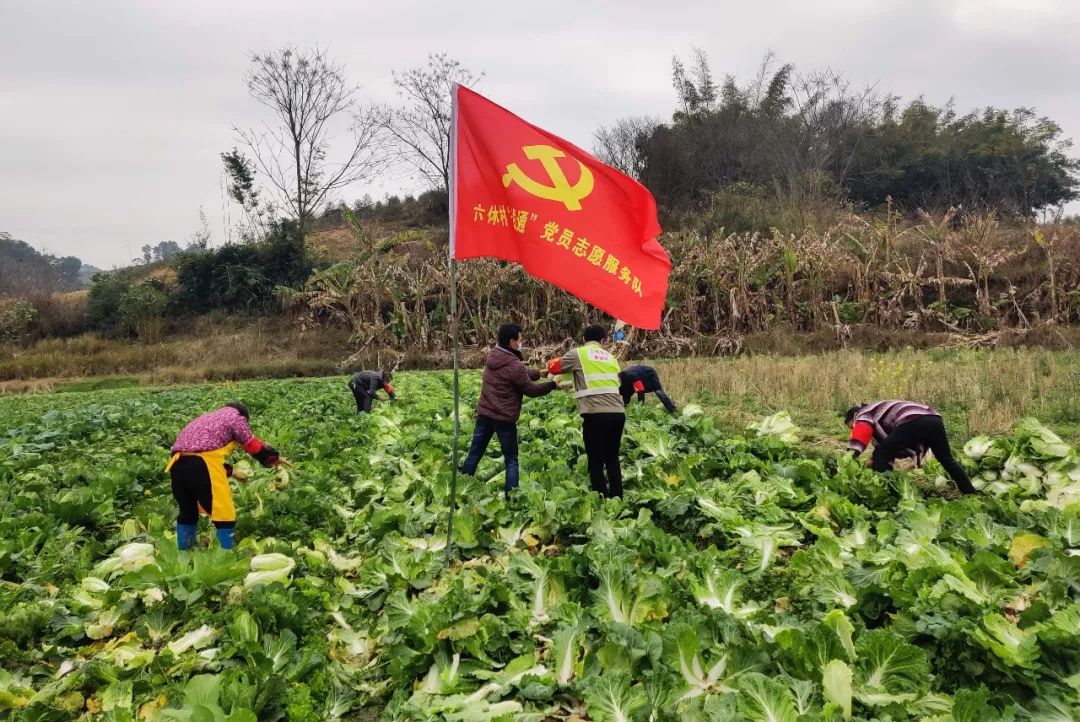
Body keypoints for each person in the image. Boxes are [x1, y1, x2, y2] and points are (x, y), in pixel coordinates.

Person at [166, 402, 284, 550]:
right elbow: (251, 444)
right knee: (223, 511)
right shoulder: (235, 417)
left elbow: (197, 455)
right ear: (243, 416)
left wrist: (232, 472)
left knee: (187, 511)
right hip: (202, 464)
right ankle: (226, 554)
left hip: (177, 464)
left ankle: (184, 552)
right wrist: (273, 458)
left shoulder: (204, 419)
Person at [461, 323, 556, 497]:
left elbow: (515, 374)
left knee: (474, 453)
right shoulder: (514, 363)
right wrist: (552, 385)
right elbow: (530, 390)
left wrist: (539, 373)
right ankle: (511, 497)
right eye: (520, 340)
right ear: (512, 341)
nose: (521, 343)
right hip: (504, 419)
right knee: (511, 460)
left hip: (484, 414)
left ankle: (461, 489)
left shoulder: (493, 356)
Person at [548, 325, 626, 498]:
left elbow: (554, 367)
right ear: (603, 341)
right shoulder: (611, 358)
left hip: (595, 413)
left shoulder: (579, 353)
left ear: (583, 339)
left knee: (595, 460)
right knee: (612, 457)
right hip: (618, 413)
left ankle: (601, 498)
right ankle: (617, 497)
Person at [845, 400, 977, 495]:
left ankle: (885, 493)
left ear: (856, 415)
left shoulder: (864, 413)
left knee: (882, 453)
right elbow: (889, 448)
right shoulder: (877, 414)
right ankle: (970, 493)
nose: (854, 428)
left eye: (852, 426)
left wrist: (848, 459)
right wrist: (875, 461)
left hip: (912, 419)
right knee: (946, 459)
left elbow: (861, 436)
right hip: (934, 419)